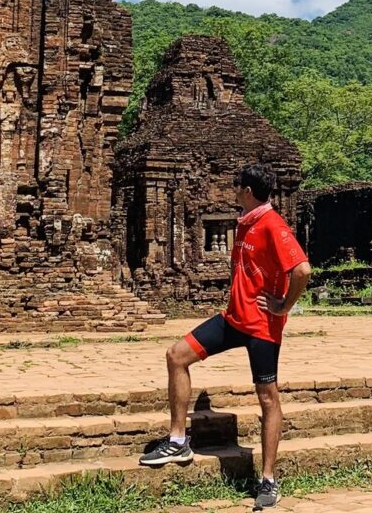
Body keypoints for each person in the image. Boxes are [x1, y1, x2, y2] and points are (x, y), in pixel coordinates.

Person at [140, 164, 312, 510]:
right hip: (234, 319)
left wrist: (283, 306)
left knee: (267, 398)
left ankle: (267, 479)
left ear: (248, 191)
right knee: (177, 355)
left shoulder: (272, 225)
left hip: (262, 326)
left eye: (237, 187)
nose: (234, 191)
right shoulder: (247, 221)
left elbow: (302, 269)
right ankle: (177, 439)